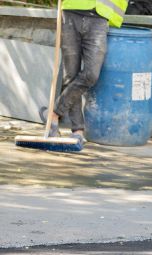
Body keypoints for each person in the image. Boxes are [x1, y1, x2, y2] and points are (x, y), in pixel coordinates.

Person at [49, 0, 130, 146]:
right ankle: (77, 131)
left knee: (91, 74)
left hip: (99, 16)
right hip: (70, 12)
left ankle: (55, 113)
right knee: (70, 75)